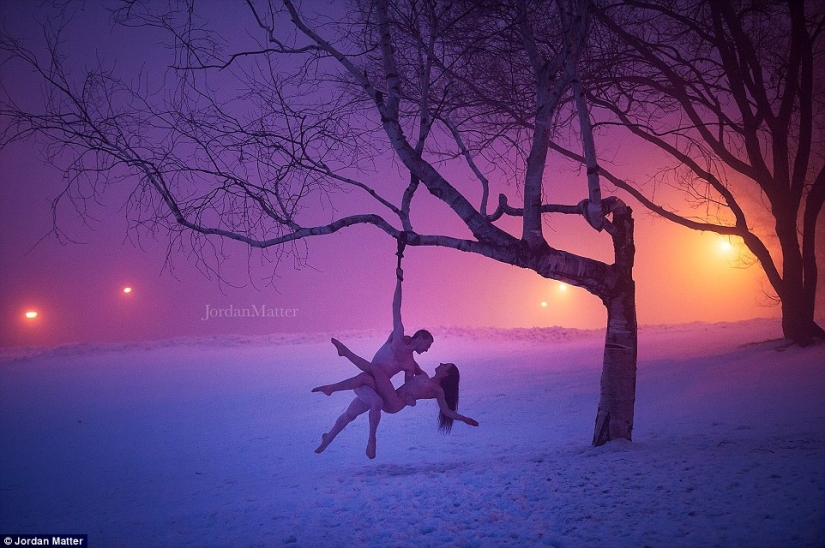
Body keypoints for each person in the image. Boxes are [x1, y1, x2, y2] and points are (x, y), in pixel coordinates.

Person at [314, 266, 433, 457]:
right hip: (365, 382)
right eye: (427, 345)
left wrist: (409, 399)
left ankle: (327, 438)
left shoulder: (410, 364)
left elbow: (407, 386)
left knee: (349, 415)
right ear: (420, 338)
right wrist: (399, 280)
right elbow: (396, 306)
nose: (427, 350)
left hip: (376, 386)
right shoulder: (397, 338)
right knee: (375, 403)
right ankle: (372, 440)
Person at [313, 338, 478, 458]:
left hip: (395, 403)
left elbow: (447, 411)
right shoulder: (423, 375)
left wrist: (464, 418)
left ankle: (345, 355)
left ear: (446, 374)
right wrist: (411, 346)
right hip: (389, 394)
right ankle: (328, 438)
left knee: (374, 371)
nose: (441, 364)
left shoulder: (437, 390)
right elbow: (411, 362)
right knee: (360, 391)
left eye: (445, 366)